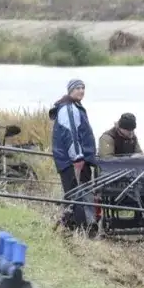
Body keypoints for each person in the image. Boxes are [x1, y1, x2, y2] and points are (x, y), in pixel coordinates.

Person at [49, 79, 97, 231]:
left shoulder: (74, 106)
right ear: (70, 90)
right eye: (77, 88)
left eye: (83, 88)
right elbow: (71, 135)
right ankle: (82, 229)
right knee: (77, 195)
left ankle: (74, 226)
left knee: (76, 194)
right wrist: (77, 157)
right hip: (73, 161)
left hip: (75, 159)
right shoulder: (69, 108)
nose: (81, 91)